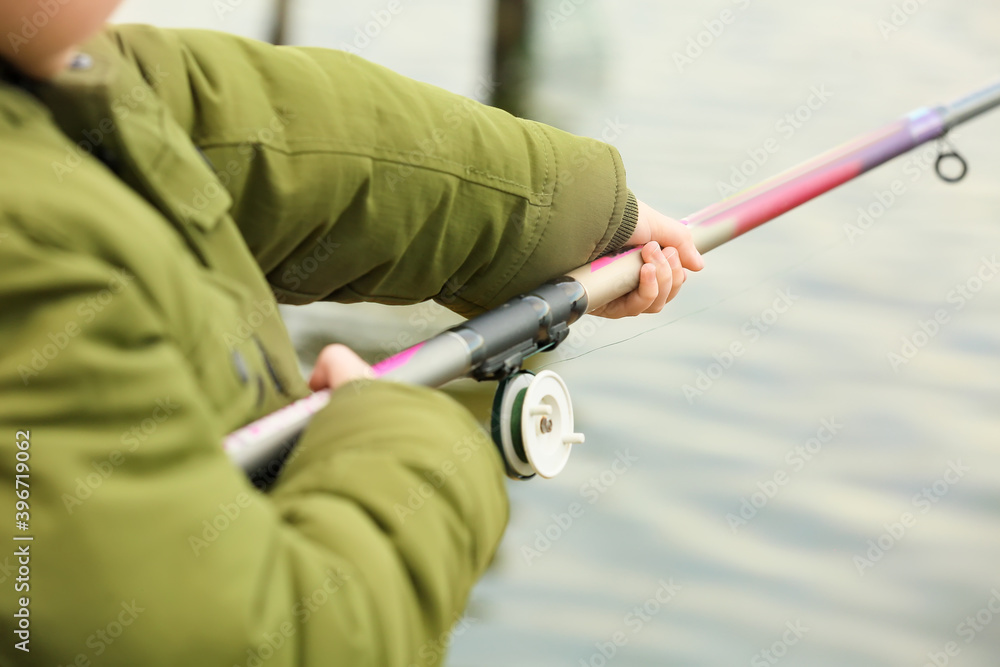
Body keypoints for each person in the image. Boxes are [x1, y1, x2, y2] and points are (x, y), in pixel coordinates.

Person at [0, 1, 703, 665]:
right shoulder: (25, 258)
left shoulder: (52, 85)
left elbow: (241, 133)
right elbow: (274, 644)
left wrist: (565, 212)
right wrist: (409, 442)